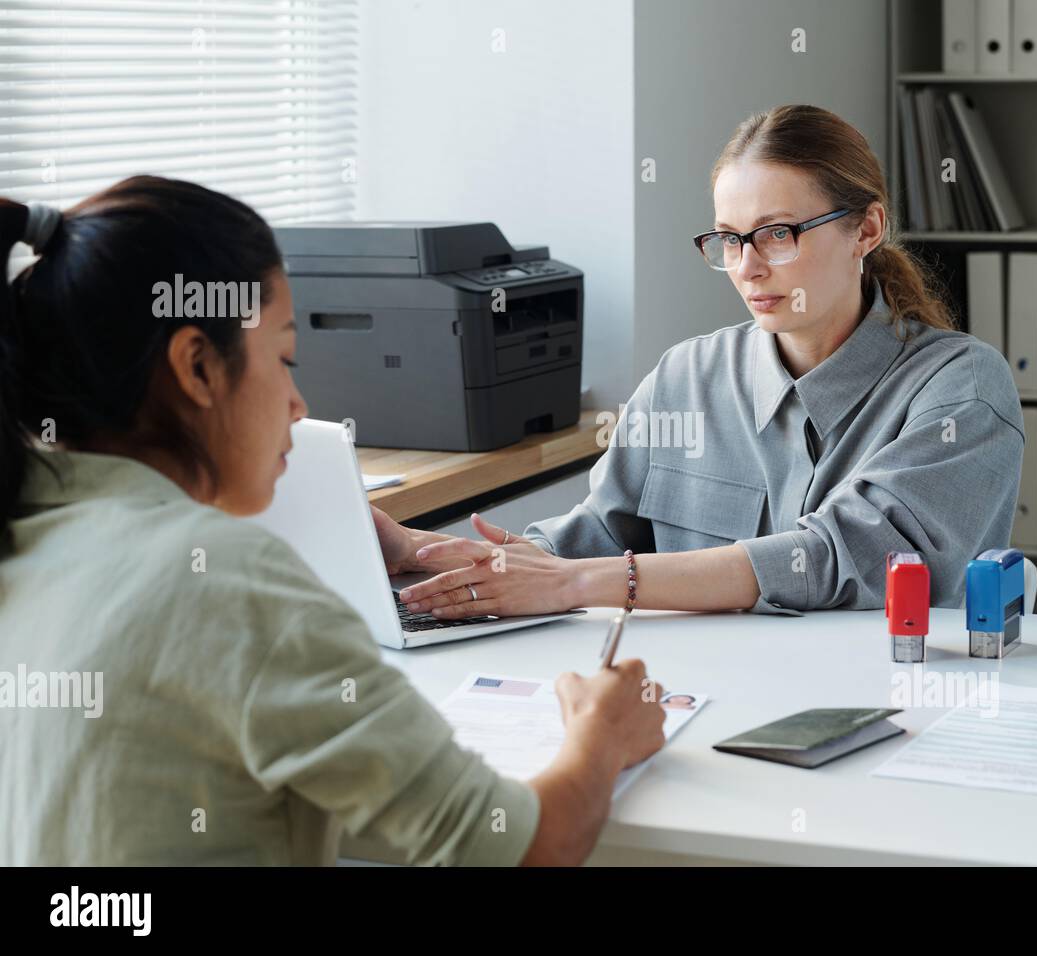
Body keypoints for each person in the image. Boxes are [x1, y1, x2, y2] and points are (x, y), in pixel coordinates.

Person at [0, 177, 665, 865]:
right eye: (284, 359)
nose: (297, 402)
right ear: (197, 366)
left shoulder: (25, 531)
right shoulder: (228, 580)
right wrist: (602, 733)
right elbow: (525, 846)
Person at [395, 105, 1025, 619]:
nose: (747, 266)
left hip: (887, 715)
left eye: (779, 233)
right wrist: (424, 554)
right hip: (697, 708)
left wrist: (575, 584)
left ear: (865, 231)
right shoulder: (682, 378)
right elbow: (593, 542)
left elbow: (836, 558)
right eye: (729, 238)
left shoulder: (962, 389)